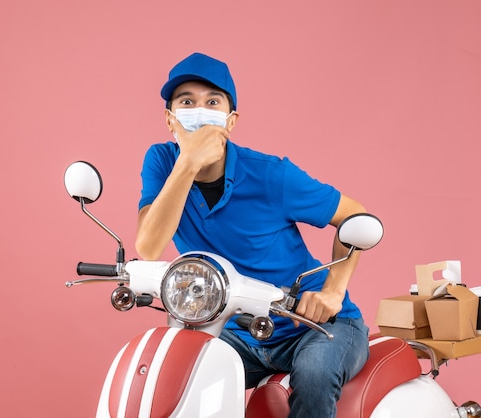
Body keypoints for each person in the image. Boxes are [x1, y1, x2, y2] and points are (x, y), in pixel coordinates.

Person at [135, 52, 370, 418]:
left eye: (212, 102)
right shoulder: (163, 162)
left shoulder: (271, 175)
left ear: (230, 121)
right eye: (186, 102)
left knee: (314, 374)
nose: (199, 110)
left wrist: (332, 291)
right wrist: (188, 161)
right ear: (170, 119)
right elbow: (148, 246)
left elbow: (356, 215)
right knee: (177, 375)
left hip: (312, 325)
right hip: (235, 329)